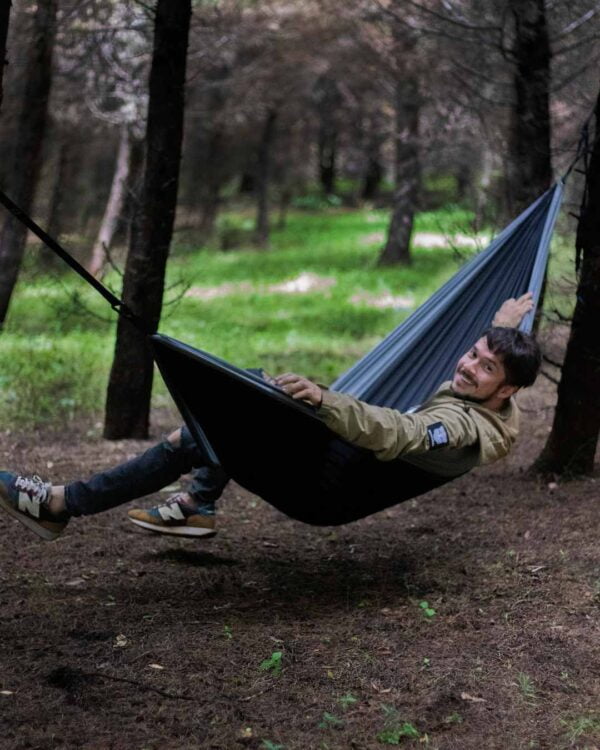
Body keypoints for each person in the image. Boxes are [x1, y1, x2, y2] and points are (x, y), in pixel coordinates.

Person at [0, 293, 540, 542]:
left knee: (221, 415)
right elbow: (494, 363)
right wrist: (503, 323)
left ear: (508, 389)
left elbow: (404, 431)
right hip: (338, 468)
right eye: (472, 353)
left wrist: (328, 401)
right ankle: (197, 502)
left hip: (327, 487)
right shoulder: (495, 401)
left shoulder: (465, 427)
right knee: (244, 396)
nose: (468, 367)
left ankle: (61, 503)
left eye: (485, 366)